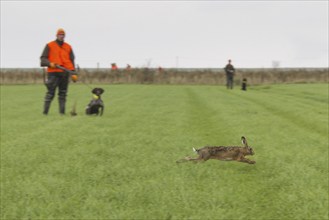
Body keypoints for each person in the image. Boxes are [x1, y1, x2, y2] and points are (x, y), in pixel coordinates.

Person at [40, 28, 76, 115]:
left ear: (64, 36)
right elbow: (42, 59)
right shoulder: (49, 45)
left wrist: (73, 73)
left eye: (63, 35)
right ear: (56, 35)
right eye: (60, 34)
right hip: (53, 73)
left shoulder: (68, 47)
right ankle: (45, 113)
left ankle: (62, 114)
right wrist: (50, 64)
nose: (61, 36)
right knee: (50, 94)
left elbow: (71, 61)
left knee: (63, 94)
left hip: (65, 73)